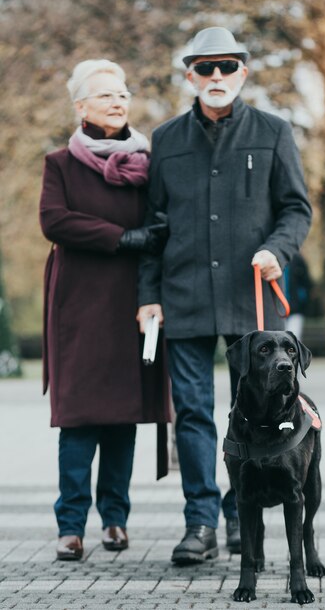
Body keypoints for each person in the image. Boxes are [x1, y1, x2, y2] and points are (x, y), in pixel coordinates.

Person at [138, 27, 312, 564]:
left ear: (243, 71)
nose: (217, 77)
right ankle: (200, 523)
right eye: (205, 68)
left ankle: (243, 517)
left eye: (227, 67)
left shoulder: (274, 132)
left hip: (249, 297)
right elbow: (153, 224)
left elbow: (296, 209)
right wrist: (148, 293)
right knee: (192, 411)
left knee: (253, 409)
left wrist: (277, 250)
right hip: (183, 295)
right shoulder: (165, 139)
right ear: (189, 73)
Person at [40, 59, 170, 561]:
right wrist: (123, 237)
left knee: (121, 417)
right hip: (76, 304)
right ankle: (69, 526)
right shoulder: (60, 164)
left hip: (133, 304)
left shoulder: (147, 164)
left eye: (122, 94)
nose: (117, 101)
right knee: (79, 419)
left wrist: (148, 276)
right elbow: (55, 221)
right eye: (105, 95)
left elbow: (160, 231)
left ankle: (115, 520)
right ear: (81, 107)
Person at [285, 252, 313, 341]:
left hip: (295, 309)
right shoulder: (270, 257)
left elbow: (307, 283)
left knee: (293, 339)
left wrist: (301, 299)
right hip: (275, 310)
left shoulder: (297, 259)